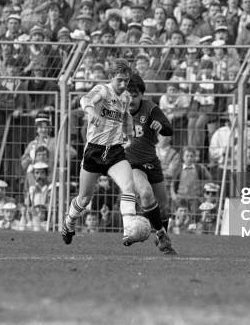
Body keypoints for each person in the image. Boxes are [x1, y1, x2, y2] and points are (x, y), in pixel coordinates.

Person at [61, 59, 140, 247]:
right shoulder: (103, 90)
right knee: (84, 198)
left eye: (126, 81)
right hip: (94, 150)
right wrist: (92, 113)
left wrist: (129, 134)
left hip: (115, 152)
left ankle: (129, 231)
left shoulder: (126, 97)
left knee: (129, 187)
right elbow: (85, 100)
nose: (123, 85)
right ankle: (69, 222)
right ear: (111, 77)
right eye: (119, 80)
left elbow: (126, 118)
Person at [125, 74, 177, 254]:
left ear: (141, 95)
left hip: (151, 162)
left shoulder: (150, 109)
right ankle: (162, 237)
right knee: (146, 194)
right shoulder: (115, 112)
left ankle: (160, 236)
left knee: (163, 207)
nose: (131, 99)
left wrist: (160, 126)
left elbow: (169, 129)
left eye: (135, 95)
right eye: (127, 95)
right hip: (131, 164)